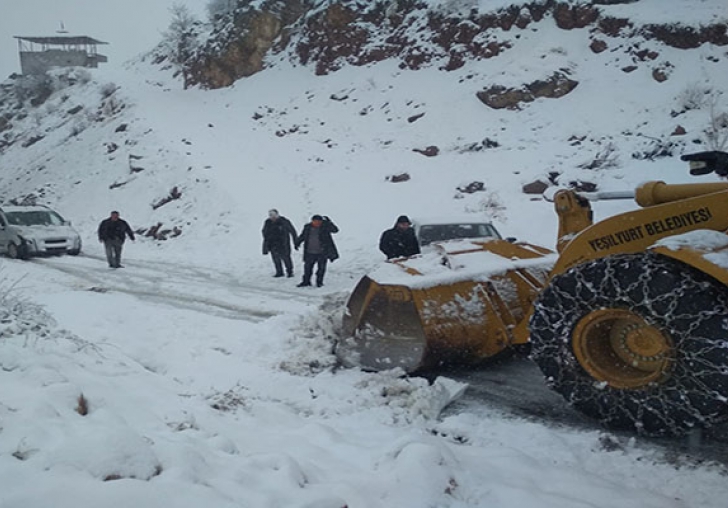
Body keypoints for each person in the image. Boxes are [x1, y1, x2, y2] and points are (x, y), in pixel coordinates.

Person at [295, 215, 339, 287]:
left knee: (321, 269)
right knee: (307, 269)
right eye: (315, 221)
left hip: (322, 253)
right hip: (309, 252)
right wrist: (297, 242)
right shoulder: (307, 227)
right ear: (312, 221)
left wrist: (329, 222)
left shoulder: (325, 227)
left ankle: (319, 282)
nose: (317, 223)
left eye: (319, 221)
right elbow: (303, 236)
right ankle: (306, 281)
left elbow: (335, 230)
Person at [262, 209, 298, 278]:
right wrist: (266, 244)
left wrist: (295, 242)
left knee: (286, 258)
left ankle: (290, 272)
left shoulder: (284, 221)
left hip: (283, 244)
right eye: (271, 215)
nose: (273, 217)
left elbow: (292, 231)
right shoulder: (267, 222)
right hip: (273, 244)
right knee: (276, 259)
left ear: (277, 214)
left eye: (274, 215)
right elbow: (264, 232)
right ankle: (279, 272)